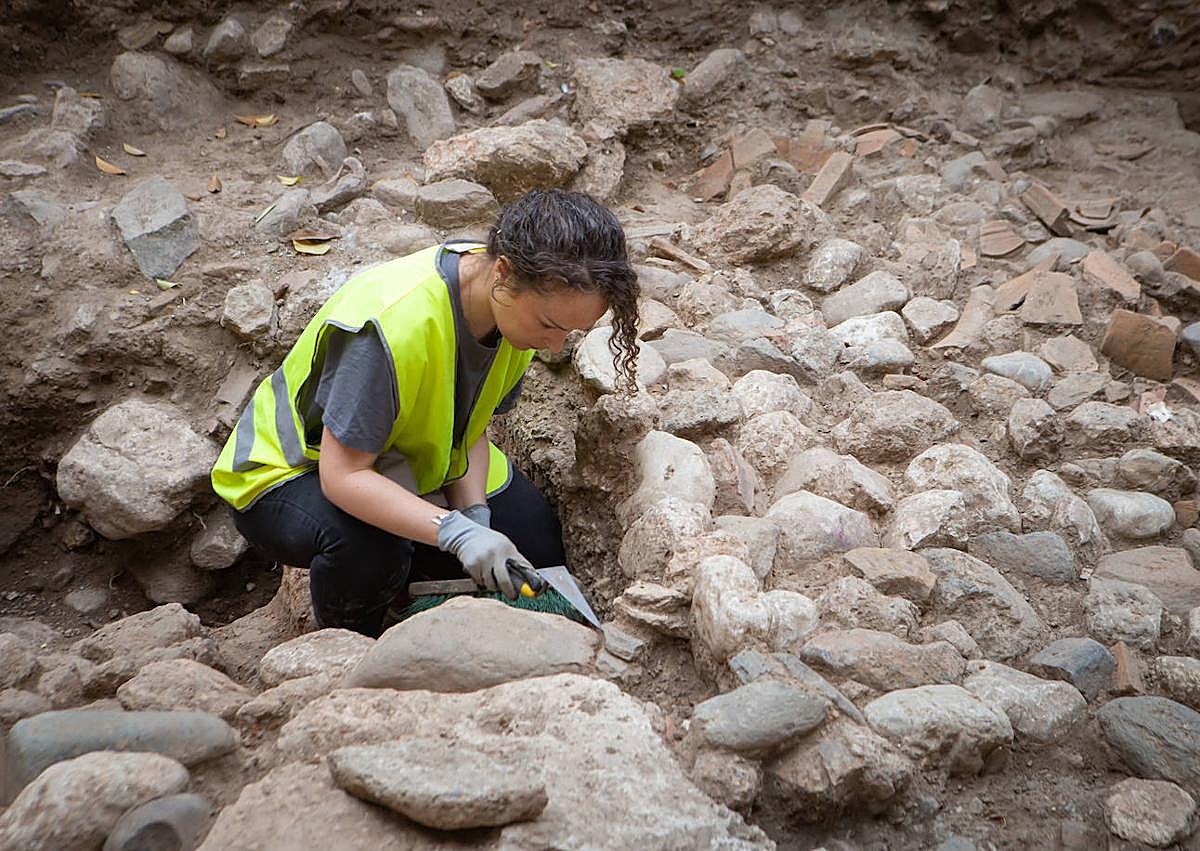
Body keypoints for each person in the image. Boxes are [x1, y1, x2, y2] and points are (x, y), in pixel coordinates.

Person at [210, 189, 640, 637]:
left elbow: (471, 429)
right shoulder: (394, 327)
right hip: (295, 471)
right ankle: (353, 641)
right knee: (371, 548)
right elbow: (344, 477)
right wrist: (454, 533)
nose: (555, 345)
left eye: (569, 331)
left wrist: (475, 515)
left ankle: (421, 582)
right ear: (503, 272)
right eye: (551, 327)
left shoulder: (514, 310)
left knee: (532, 542)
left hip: (414, 462)